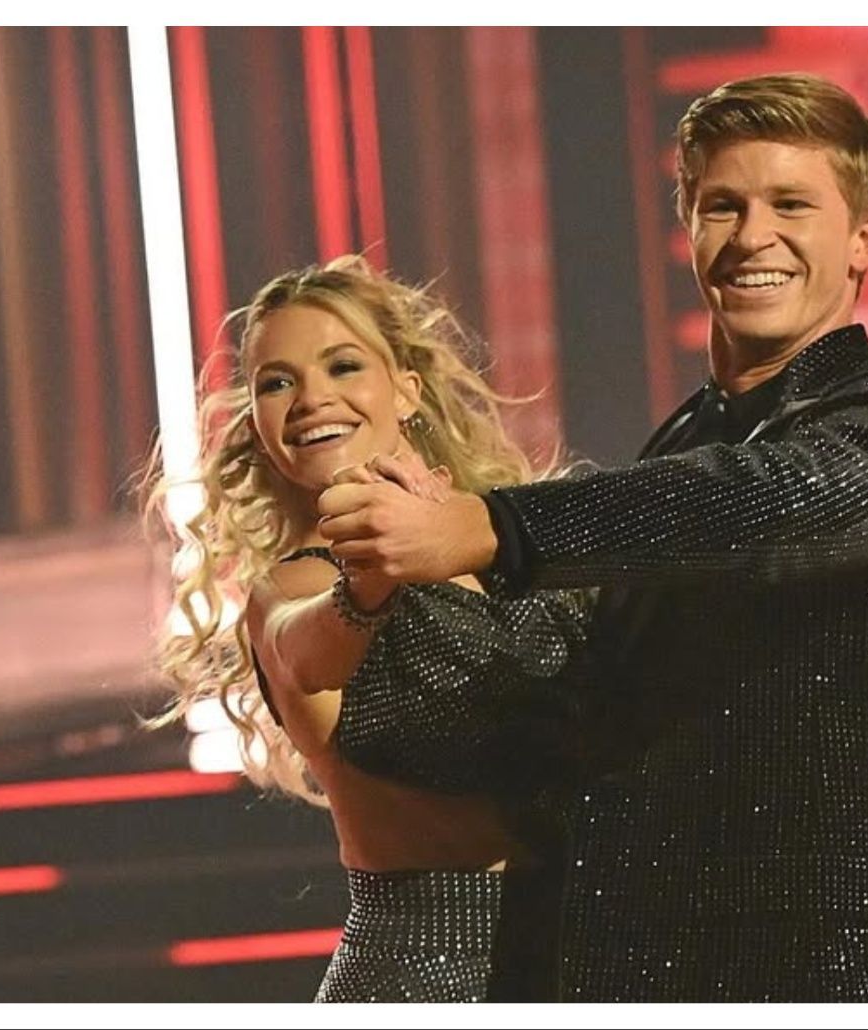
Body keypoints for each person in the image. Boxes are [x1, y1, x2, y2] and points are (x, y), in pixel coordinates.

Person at [317, 73, 868, 1001]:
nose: (752, 238)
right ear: (688, 227)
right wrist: (379, 588)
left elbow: (747, 508)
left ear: (863, 236)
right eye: (721, 207)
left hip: (865, 969)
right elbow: (580, 680)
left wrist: (487, 526)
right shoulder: (689, 437)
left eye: (791, 204)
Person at [144, 256, 586, 1002]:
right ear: (255, 422)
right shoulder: (293, 587)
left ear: (405, 389)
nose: (312, 398)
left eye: (343, 366)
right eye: (276, 383)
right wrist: (369, 583)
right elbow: (304, 648)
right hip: (431, 967)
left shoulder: (508, 538)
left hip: (579, 950)